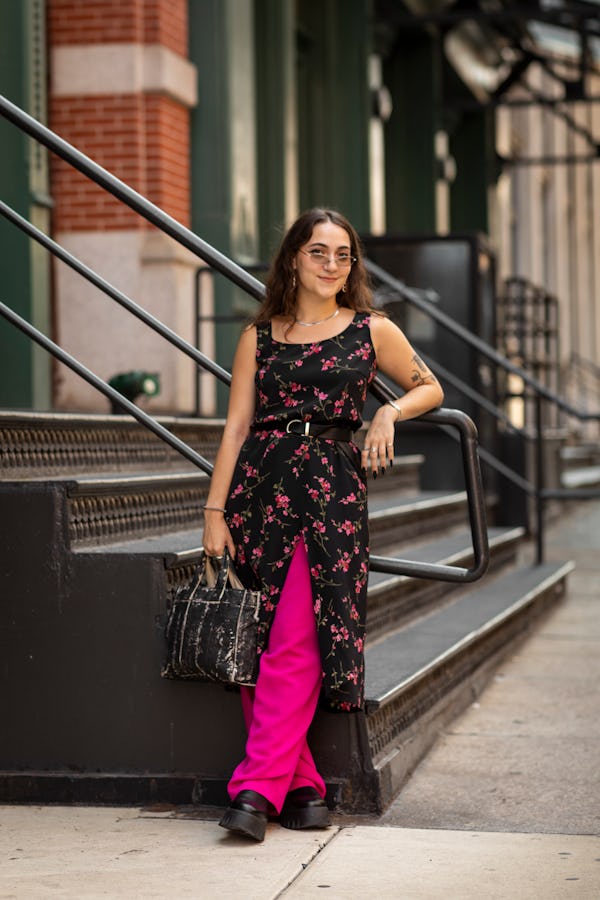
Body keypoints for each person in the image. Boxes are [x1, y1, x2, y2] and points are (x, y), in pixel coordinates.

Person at [202, 208, 443, 841]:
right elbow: (235, 428)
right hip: (260, 490)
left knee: (298, 637)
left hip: (331, 492)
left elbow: (430, 388)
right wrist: (214, 511)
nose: (332, 264)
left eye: (343, 254)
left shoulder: (371, 329)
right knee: (262, 636)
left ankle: (255, 789)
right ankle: (303, 788)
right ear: (292, 260)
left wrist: (387, 415)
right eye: (318, 252)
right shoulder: (260, 336)